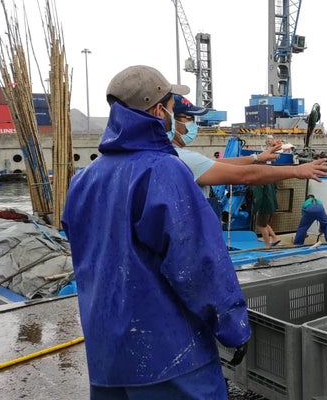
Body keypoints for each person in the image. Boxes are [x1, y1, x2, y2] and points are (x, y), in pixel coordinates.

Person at [61, 65, 249, 398]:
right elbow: (198, 264)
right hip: (168, 356)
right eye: (173, 107)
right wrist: (233, 327)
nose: (175, 116)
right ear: (158, 111)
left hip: (106, 356)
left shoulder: (84, 179)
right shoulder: (165, 170)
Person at [168, 95, 327, 222]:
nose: (193, 124)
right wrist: (297, 170)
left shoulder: (170, 155)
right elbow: (246, 176)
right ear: (169, 120)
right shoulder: (181, 158)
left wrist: (257, 157)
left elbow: (215, 164)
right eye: (188, 118)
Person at [252, 182, 280, 248]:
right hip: (271, 204)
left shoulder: (259, 182)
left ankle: (267, 245)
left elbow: (258, 197)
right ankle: (275, 238)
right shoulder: (270, 180)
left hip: (264, 206)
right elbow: (275, 190)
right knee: (265, 223)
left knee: (261, 226)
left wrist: (254, 209)